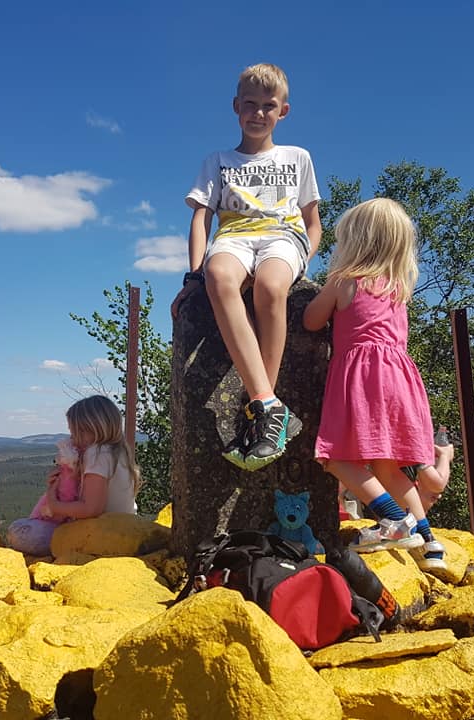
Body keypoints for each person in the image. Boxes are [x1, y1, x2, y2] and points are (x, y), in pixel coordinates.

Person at [171, 62, 322, 472]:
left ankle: (260, 411)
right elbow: (201, 218)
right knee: (219, 276)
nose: (258, 113)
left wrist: (301, 263)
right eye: (250, 105)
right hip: (234, 237)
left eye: (268, 106)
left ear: (283, 112)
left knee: (270, 287)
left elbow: (313, 223)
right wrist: (193, 275)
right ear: (236, 107)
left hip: (282, 236)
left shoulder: (298, 158)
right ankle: (270, 408)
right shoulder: (217, 161)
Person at [303, 198, 446, 573]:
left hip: (362, 379)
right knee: (389, 467)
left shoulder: (344, 282)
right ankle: (431, 543)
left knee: (333, 456)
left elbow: (311, 320)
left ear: (355, 240)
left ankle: (394, 521)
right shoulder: (398, 288)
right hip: (400, 381)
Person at [6, 395, 140, 557]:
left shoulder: (97, 453)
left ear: (89, 429)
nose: (72, 439)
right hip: (126, 529)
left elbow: (92, 508)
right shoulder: (118, 452)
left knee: (18, 530)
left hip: (101, 535)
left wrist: (54, 504)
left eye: (75, 433)